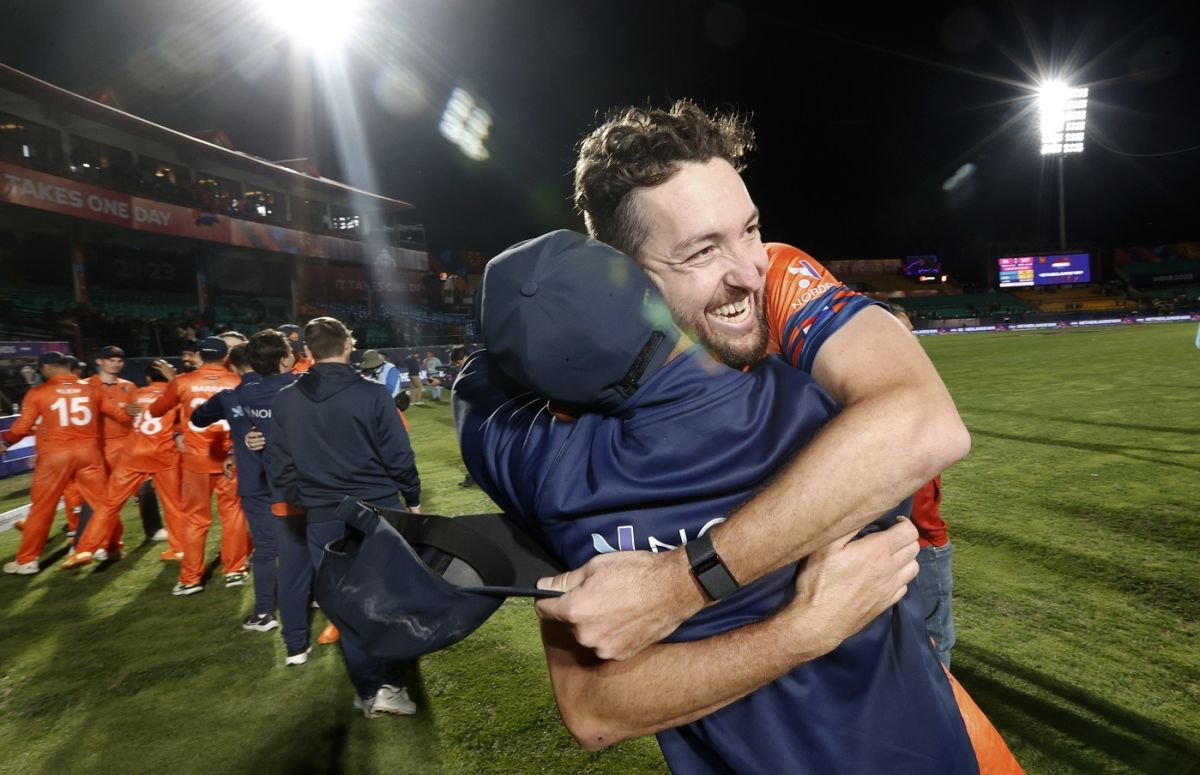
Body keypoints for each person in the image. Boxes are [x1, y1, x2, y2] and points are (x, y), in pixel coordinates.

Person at [455, 231, 1018, 773]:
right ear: (650, 294)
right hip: (926, 755)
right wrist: (802, 628)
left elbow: (475, 386)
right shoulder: (821, 406)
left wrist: (541, 343)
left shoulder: (539, 469)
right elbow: (916, 414)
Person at [525, 100, 970, 666]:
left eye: (750, 229)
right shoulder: (590, 361)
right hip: (760, 574)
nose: (748, 271)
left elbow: (927, 424)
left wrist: (677, 586)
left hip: (892, 548)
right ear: (621, 280)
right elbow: (592, 707)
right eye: (702, 250)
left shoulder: (778, 275)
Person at [266, 316, 422, 713]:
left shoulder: (286, 397)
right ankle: (388, 685)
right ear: (348, 345)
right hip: (376, 506)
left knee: (346, 599)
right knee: (384, 595)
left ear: (306, 352)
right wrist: (412, 497)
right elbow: (398, 453)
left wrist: (306, 497)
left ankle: (369, 690)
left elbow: (278, 463)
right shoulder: (370, 394)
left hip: (323, 513)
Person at [191, 331, 298, 633]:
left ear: (234, 367)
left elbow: (197, 419)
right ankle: (313, 597)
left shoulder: (232, 396)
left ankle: (265, 613)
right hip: (292, 479)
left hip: (255, 482)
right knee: (303, 540)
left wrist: (234, 440)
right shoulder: (292, 386)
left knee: (265, 549)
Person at [1, 352, 128, 574]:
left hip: (55, 455)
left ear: (47, 367)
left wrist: (5, 442)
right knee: (102, 503)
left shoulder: (38, 392)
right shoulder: (92, 389)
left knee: (42, 508)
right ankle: (112, 547)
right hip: (89, 453)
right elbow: (121, 416)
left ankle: (27, 560)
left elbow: (22, 427)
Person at [147, 336, 250, 596]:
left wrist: (179, 423)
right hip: (231, 457)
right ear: (225, 357)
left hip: (195, 459)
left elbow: (156, 411)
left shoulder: (183, 381)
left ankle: (191, 578)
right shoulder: (237, 381)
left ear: (199, 356)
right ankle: (235, 569)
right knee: (233, 514)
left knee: (194, 519)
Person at [62, 362, 188, 568]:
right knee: (173, 505)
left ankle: (85, 549)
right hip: (163, 454)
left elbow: (125, 415)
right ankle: (180, 548)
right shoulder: (174, 394)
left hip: (133, 453)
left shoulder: (136, 393)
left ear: (147, 379)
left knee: (109, 503)